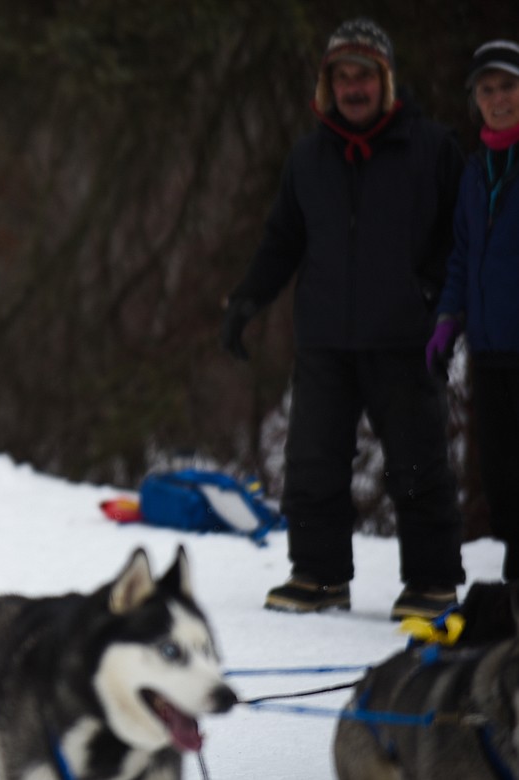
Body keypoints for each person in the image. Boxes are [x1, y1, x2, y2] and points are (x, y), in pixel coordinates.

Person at [219, 18, 466, 620]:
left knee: (415, 464)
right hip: (327, 335)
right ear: (329, 86)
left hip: (405, 337)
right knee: (312, 462)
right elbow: (283, 240)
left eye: (364, 76)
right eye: (342, 77)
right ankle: (319, 575)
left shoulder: (431, 147)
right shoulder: (309, 157)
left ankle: (431, 583)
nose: (353, 88)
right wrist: (247, 302)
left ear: (385, 81)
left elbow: (457, 237)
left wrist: (436, 300)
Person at [427, 41, 519, 582]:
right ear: (475, 101)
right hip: (488, 351)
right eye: (487, 89)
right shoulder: (474, 171)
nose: (498, 98)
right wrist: (447, 320)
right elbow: (463, 255)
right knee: (502, 477)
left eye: (508, 86)